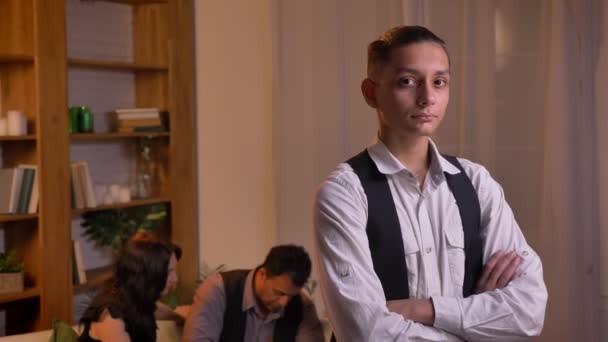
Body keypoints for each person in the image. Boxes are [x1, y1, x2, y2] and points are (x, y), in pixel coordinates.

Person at [313, 25, 548, 341]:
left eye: (439, 82)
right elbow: (365, 332)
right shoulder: (344, 194)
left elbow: (528, 312)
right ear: (371, 92)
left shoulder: (477, 184)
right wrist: (476, 324)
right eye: (407, 82)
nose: (427, 97)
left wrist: (420, 309)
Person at [183, 244, 325, 342]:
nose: (284, 303)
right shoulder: (218, 290)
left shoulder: (302, 306)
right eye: (279, 293)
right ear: (263, 274)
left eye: (291, 296)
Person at [79, 232, 180, 342]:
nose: (175, 278)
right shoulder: (111, 317)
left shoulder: (135, 295)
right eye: (169, 272)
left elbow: (158, 310)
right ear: (147, 273)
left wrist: (184, 319)